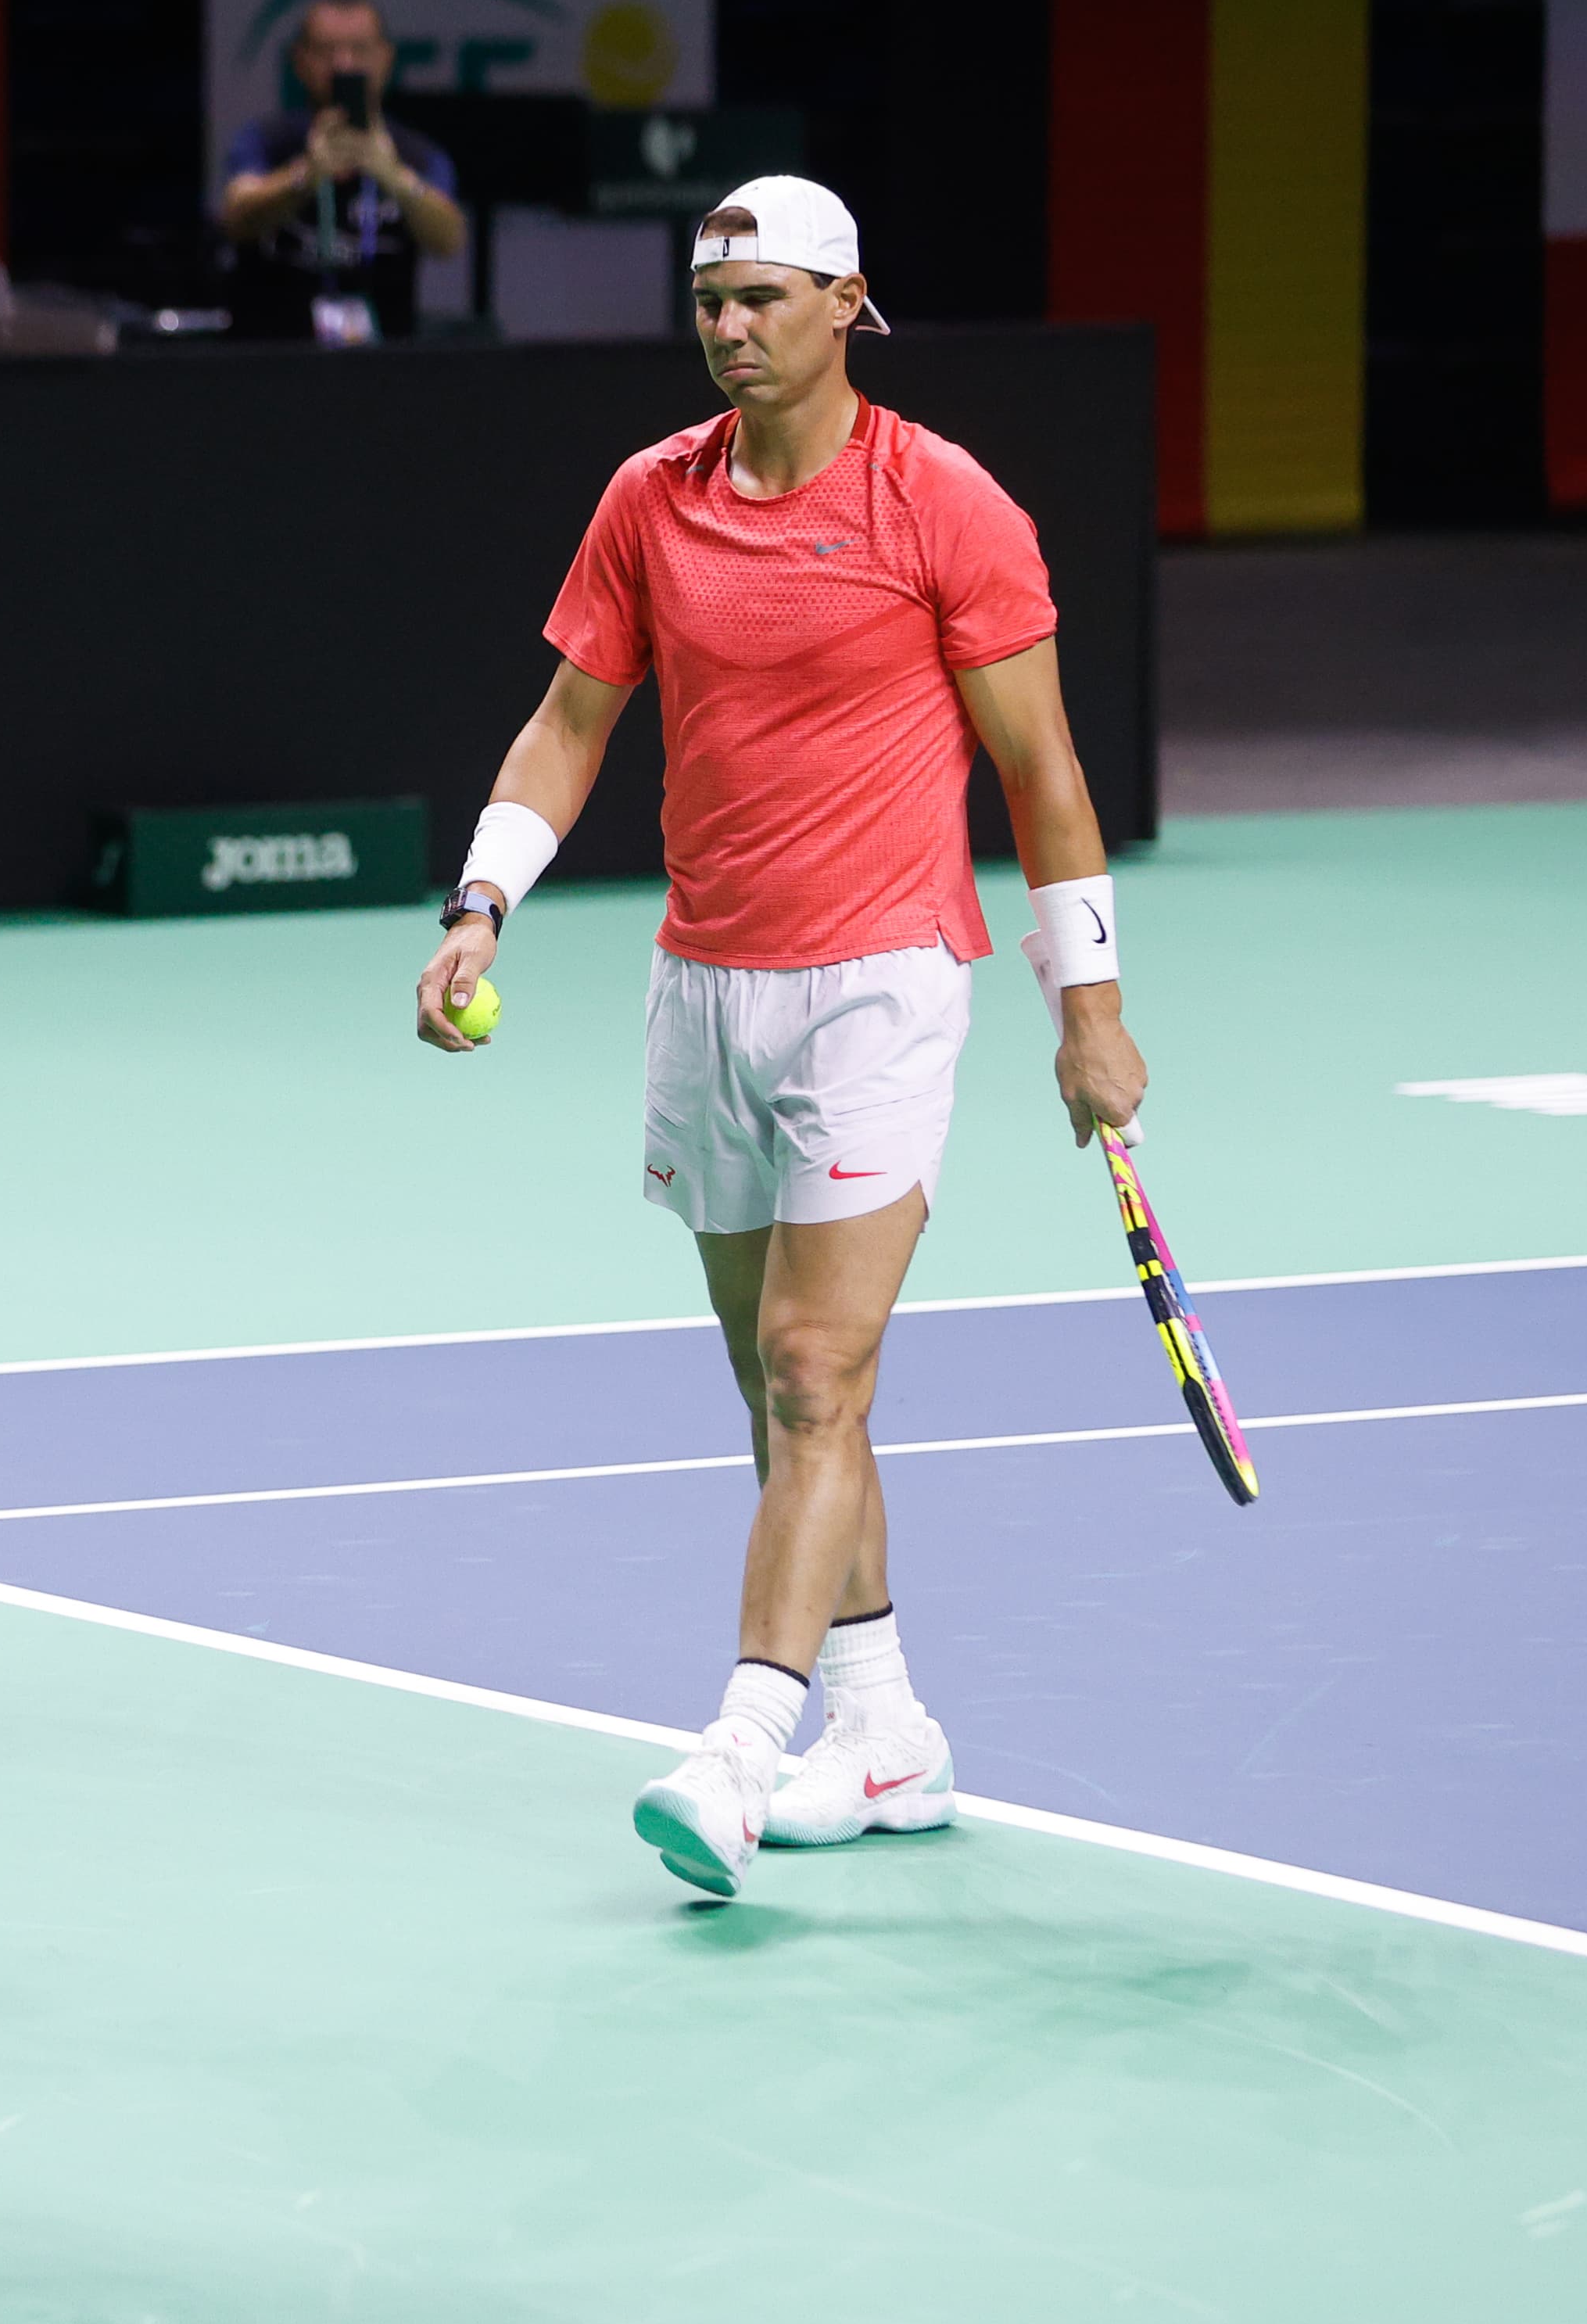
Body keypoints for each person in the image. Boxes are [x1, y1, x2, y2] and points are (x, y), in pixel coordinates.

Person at [406, 176, 1149, 1900]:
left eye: (760, 295)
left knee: (818, 1368)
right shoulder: (646, 502)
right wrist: (478, 902)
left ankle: (741, 1746)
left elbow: (1040, 772)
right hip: (705, 986)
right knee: (779, 1384)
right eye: (708, 298)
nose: (729, 323)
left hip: (885, 976)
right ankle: (884, 1729)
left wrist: (1088, 1008)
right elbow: (565, 723)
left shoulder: (943, 502)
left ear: (845, 303)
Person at [217, 0, 465, 346]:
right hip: (271, 366)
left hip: (383, 372)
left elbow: (449, 239)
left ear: (386, 58)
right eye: (325, 51)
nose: (344, 65)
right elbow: (236, 218)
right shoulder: (265, 142)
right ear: (299, 60)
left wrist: (393, 177)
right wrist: (306, 175)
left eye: (360, 50)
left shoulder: (418, 155)